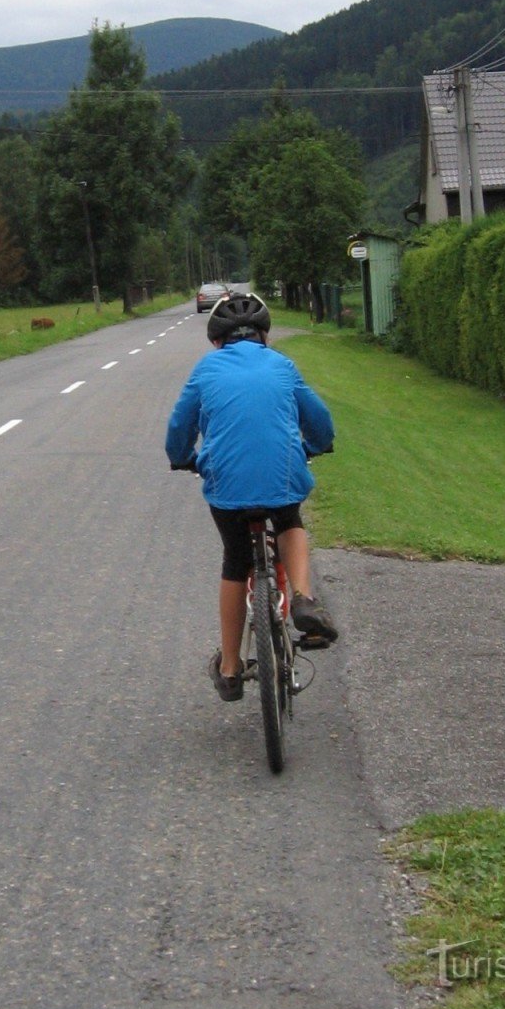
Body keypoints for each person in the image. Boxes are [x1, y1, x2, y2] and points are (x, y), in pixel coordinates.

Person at [165, 291, 337, 702]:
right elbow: (321, 423)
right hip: (281, 475)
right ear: (264, 335)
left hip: (227, 485)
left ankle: (229, 667)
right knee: (291, 520)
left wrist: (184, 458)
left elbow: (178, 429)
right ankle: (303, 598)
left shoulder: (205, 370)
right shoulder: (283, 365)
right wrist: (315, 446)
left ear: (217, 341)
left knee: (236, 560)